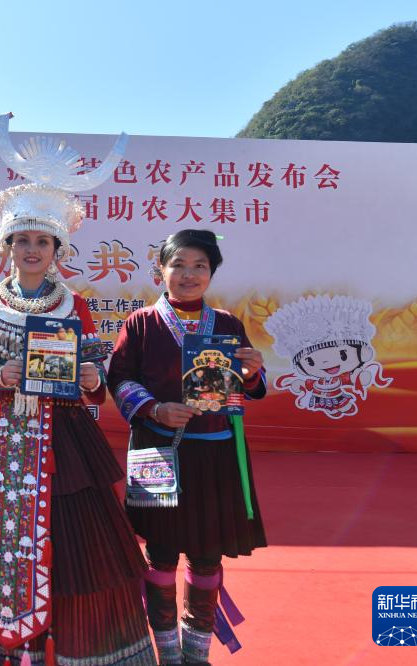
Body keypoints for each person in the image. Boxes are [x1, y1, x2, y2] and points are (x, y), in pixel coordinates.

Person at [0, 121, 154, 664]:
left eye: (42, 241)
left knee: (73, 548)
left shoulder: (74, 304)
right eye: (22, 240)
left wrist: (91, 379)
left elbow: (94, 364)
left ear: (57, 248)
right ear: (7, 246)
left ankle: (61, 649)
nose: (31, 249)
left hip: (60, 439)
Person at [106, 229, 267, 664]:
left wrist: (252, 371)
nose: (188, 275)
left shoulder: (228, 324)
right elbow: (118, 379)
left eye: (200, 266)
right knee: (159, 554)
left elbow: (250, 386)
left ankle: (196, 653)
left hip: (215, 453)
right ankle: (167, 652)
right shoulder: (141, 323)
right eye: (178, 265)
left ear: (212, 272)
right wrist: (155, 409)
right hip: (159, 450)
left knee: (207, 557)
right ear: (161, 269)